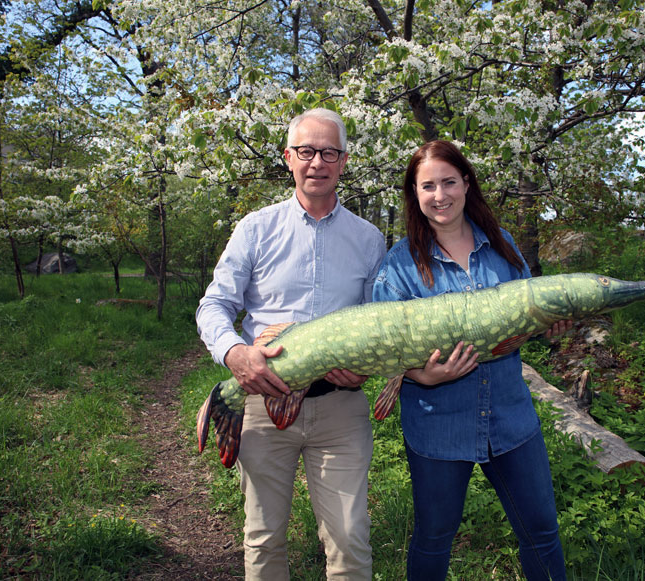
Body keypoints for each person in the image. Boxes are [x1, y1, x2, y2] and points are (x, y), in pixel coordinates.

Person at [196, 108, 386, 580]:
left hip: (341, 409)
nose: (316, 162)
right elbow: (213, 305)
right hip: (262, 403)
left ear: (343, 161)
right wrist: (236, 354)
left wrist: (364, 368)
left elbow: (377, 322)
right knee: (263, 539)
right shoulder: (255, 229)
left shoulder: (369, 240)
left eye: (328, 152)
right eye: (306, 152)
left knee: (349, 539)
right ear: (288, 158)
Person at [372, 140, 569, 581]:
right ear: (415, 194)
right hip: (437, 427)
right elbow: (385, 351)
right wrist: (423, 375)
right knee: (434, 538)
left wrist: (547, 326)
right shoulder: (399, 266)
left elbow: (523, 319)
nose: (439, 195)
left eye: (448, 182)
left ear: (466, 184)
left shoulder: (504, 247)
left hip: (512, 419)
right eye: (428, 186)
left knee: (541, 532)